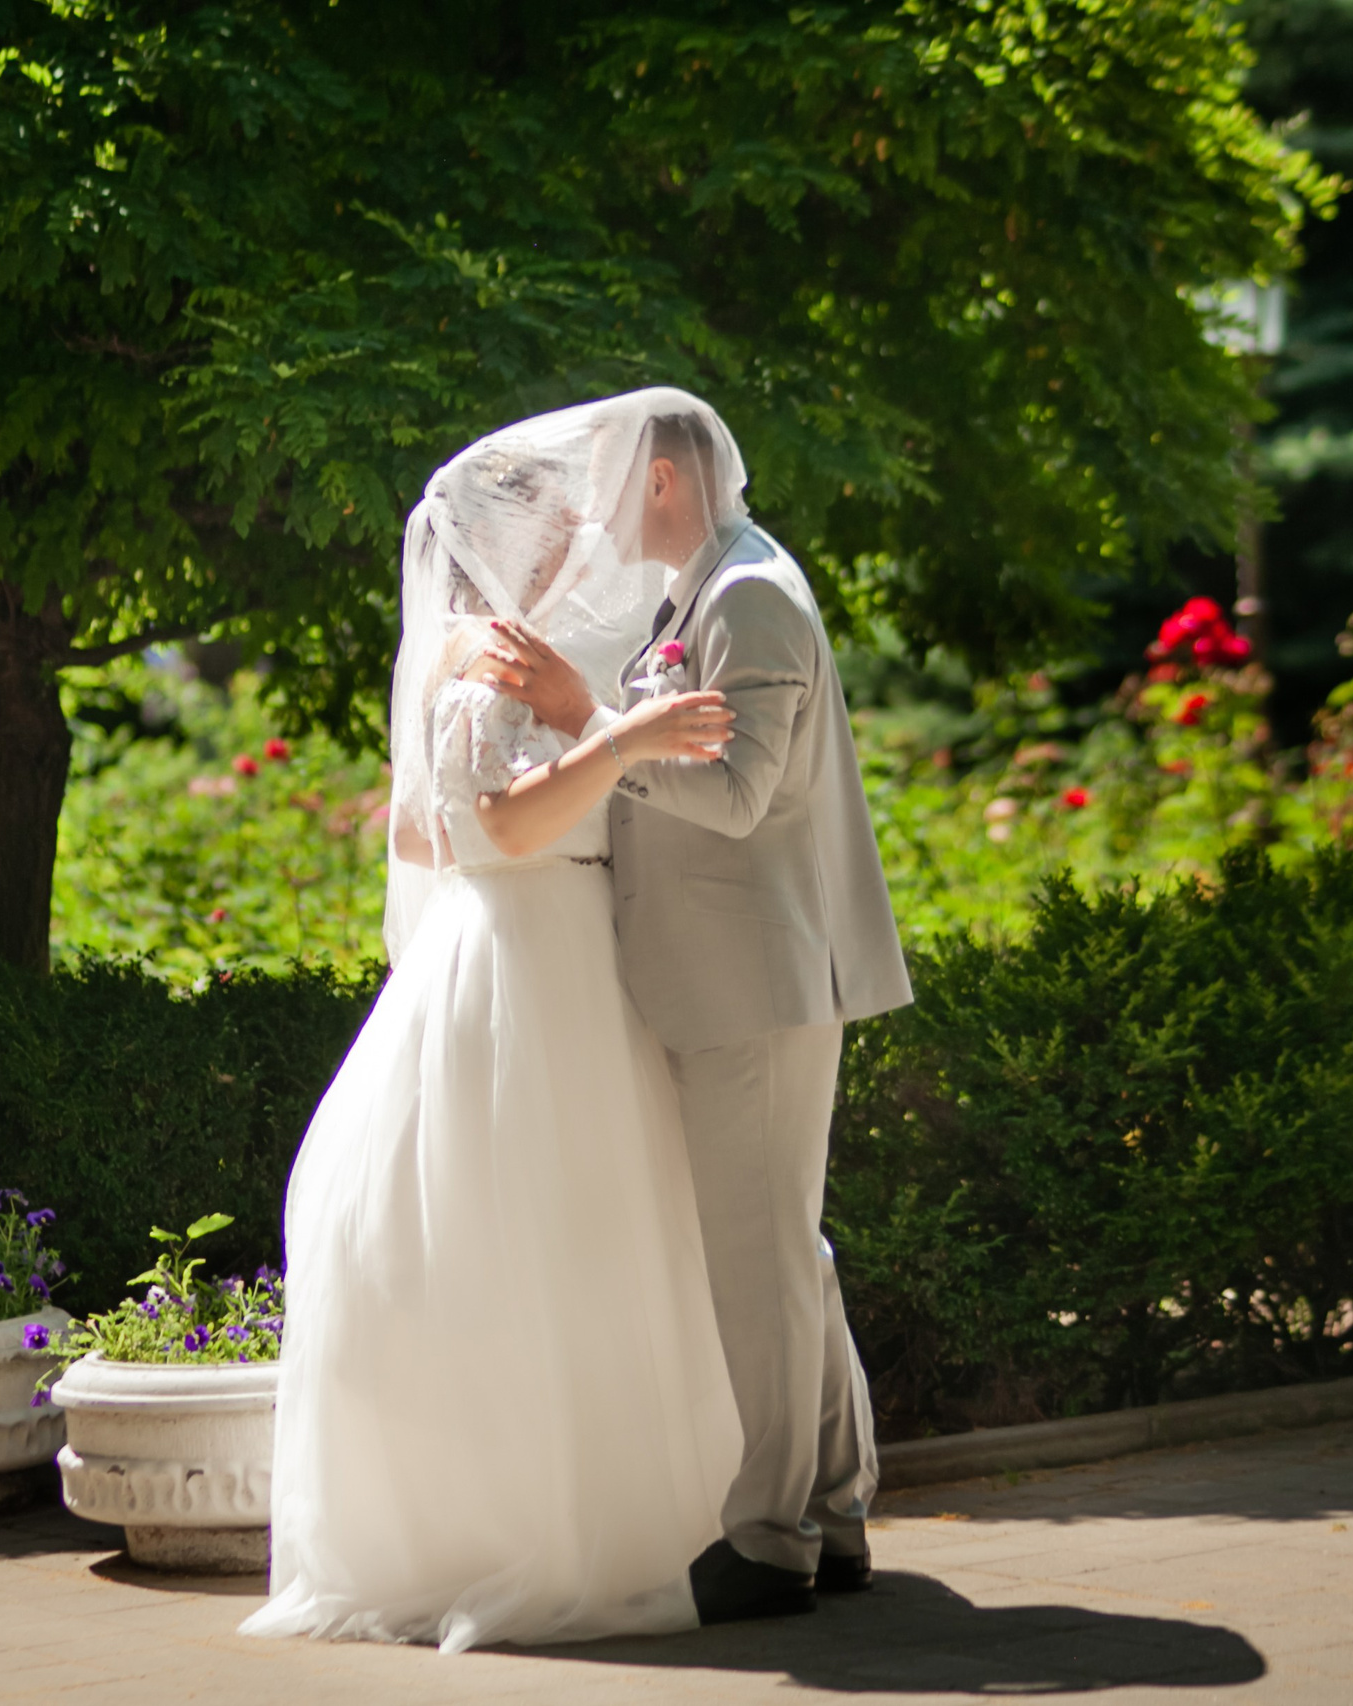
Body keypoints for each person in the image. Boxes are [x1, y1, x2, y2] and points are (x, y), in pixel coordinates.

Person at [239, 391, 749, 1654]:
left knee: (596, 1239)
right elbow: (497, 827)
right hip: (518, 965)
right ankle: (532, 1533)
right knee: (519, 1234)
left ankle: (636, 1512)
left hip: (564, 954)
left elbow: (419, 827)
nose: (587, 525)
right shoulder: (483, 659)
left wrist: (596, 736)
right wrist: (621, 737)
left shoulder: (508, 649)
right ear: (509, 542)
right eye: (561, 517)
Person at [479, 402, 913, 1625]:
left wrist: (582, 719)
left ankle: (770, 1535)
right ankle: (832, 1511)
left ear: (664, 478)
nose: (602, 519)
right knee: (786, 1249)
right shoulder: (705, 588)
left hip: (757, 979)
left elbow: (736, 798)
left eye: (614, 490)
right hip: (725, 972)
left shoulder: (751, 597)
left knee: (759, 1256)